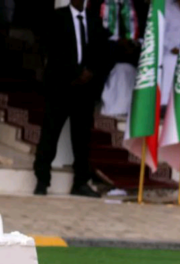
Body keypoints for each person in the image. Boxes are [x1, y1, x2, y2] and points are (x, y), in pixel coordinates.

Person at [33, 0, 107, 197]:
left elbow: (100, 51)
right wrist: (75, 74)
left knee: (82, 138)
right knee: (50, 133)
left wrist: (89, 73)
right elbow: (53, 51)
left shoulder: (94, 21)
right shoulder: (58, 17)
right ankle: (42, 179)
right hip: (61, 86)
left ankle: (80, 182)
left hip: (84, 91)